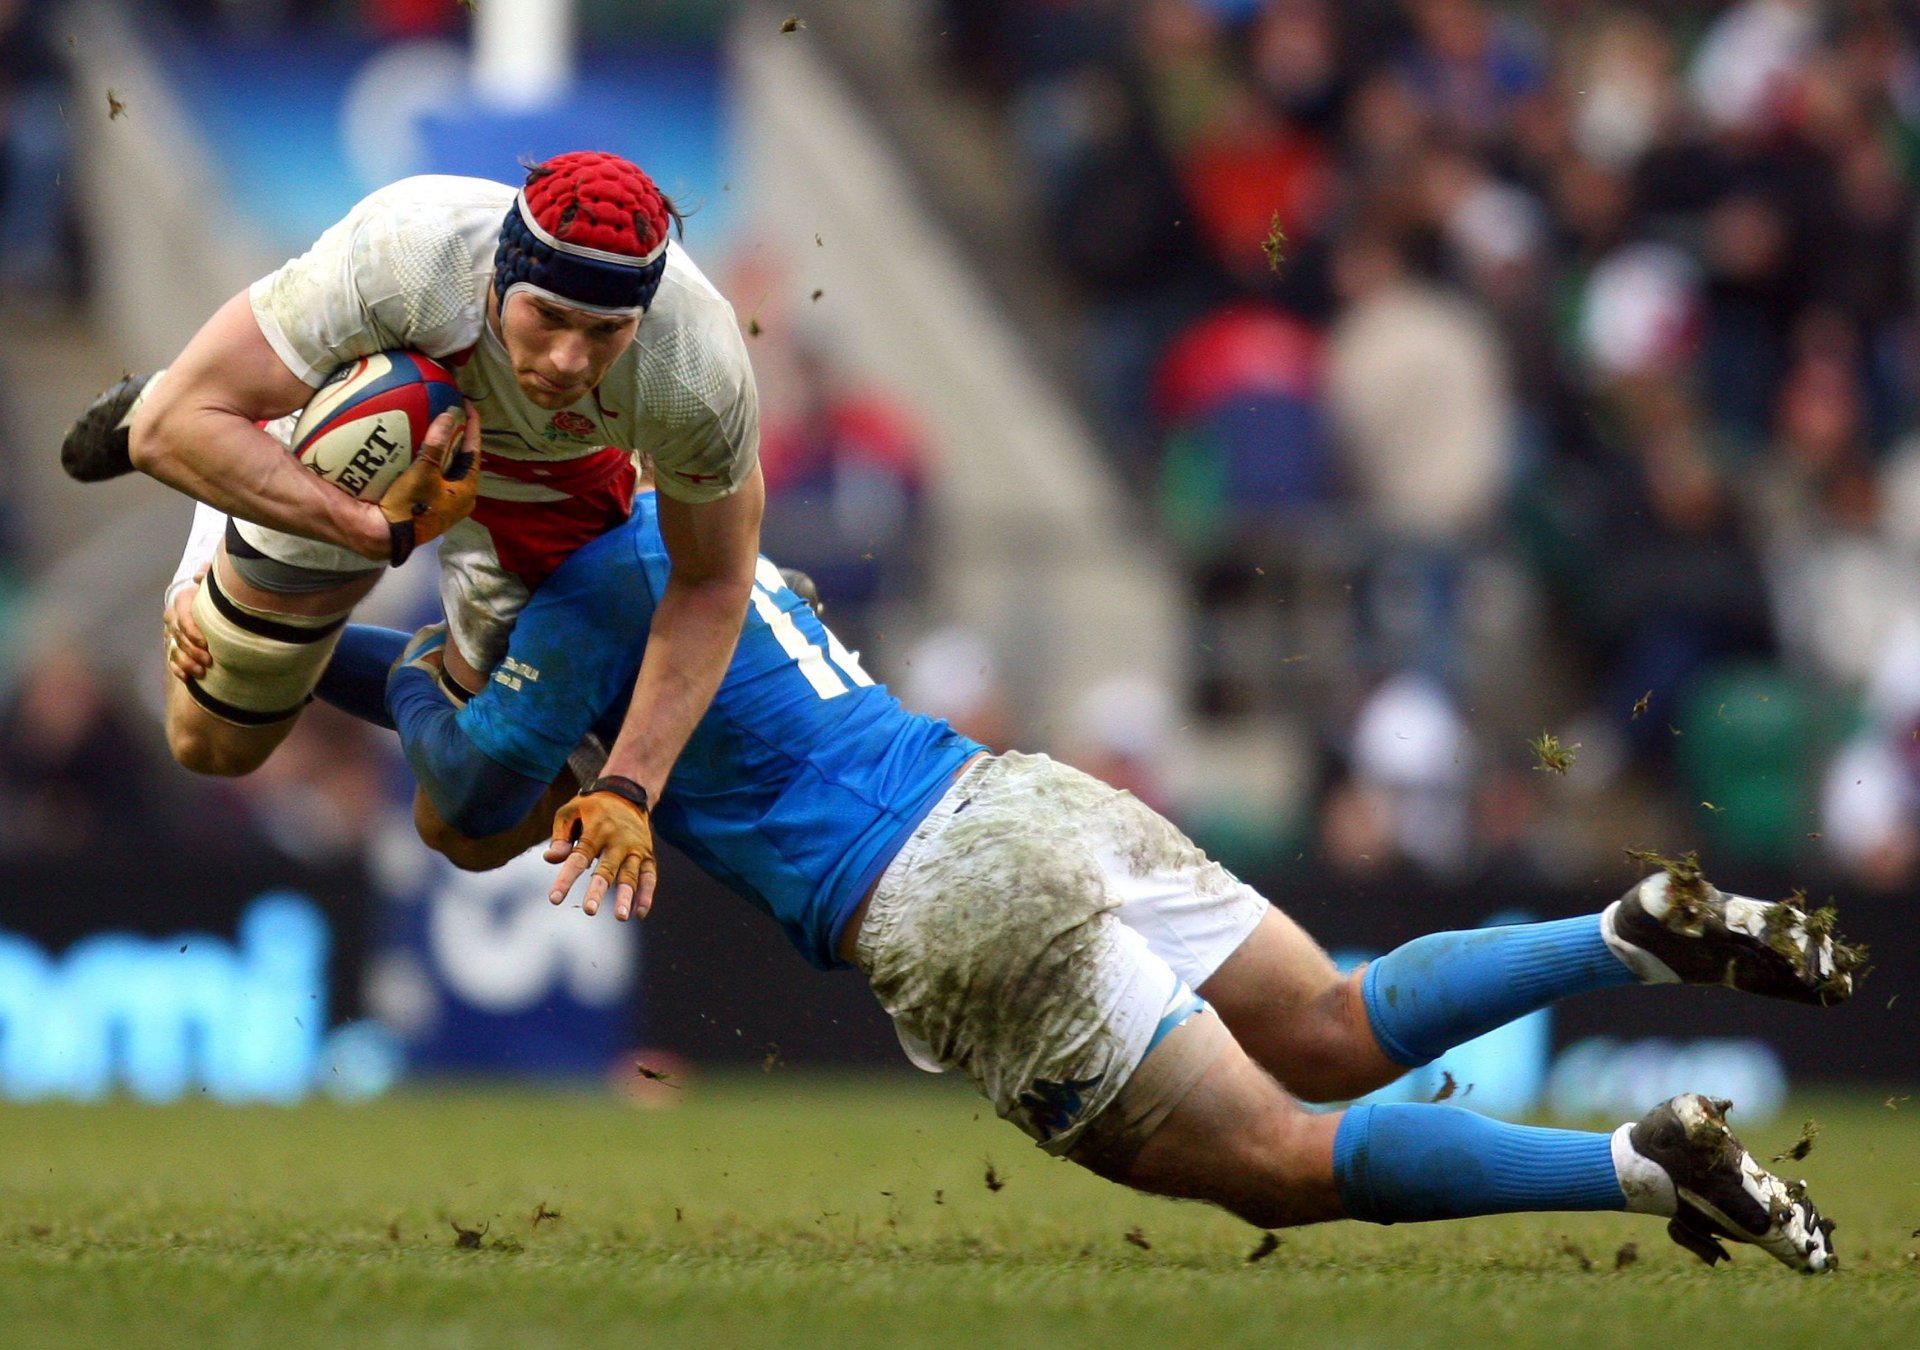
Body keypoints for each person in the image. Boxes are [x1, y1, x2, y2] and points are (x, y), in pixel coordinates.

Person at [168, 490, 1856, 1273]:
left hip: (942, 905)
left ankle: (1633, 1166)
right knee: (1336, 1024)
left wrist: (317, 658)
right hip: (1020, 793)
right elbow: (506, 680)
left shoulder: (569, 611)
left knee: (1281, 1163)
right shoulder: (691, 524)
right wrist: (318, 654)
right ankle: (1622, 932)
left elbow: (474, 779)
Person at [63, 151, 763, 909]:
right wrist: (358, 531)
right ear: (502, 276)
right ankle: (244, 440)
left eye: (606, 331)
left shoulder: (696, 363)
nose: (569, 359)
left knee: (470, 823)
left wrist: (629, 788)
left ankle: (395, 661)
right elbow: (172, 429)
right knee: (213, 745)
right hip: (384, 444)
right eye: (549, 317)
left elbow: (714, 577)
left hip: (558, 485)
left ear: (641, 319)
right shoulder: (409, 251)